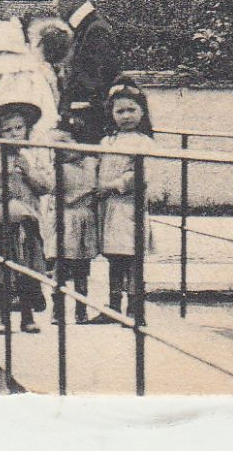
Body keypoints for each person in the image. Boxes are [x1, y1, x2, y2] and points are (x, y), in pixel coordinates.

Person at [0, 102, 48, 335]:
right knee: (1, 271)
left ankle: (28, 316)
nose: (14, 134)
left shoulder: (33, 157)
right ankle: (3, 318)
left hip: (27, 223)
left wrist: (30, 173)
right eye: (7, 130)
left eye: (19, 128)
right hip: (0, 225)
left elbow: (47, 186)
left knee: (27, 271)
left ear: (26, 129)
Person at [93, 82, 158, 322]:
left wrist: (111, 185)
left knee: (131, 257)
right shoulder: (108, 141)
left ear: (142, 112)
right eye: (120, 111)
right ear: (111, 113)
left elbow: (141, 175)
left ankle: (135, 308)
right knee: (114, 256)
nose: (126, 116)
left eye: (131, 109)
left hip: (131, 206)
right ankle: (113, 306)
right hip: (110, 208)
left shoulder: (144, 143)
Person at [26, 117, 100, 324]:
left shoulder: (87, 165)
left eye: (65, 143)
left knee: (81, 269)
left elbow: (82, 188)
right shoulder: (59, 167)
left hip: (79, 219)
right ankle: (58, 310)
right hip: (62, 221)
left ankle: (80, 309)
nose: (59, 150)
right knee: (60, 266)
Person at [48, 0, 121, 145]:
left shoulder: (96, 30)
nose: (53, 5)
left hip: (88, 127)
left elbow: (95, 84)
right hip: (80, 124)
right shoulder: (83, 28)